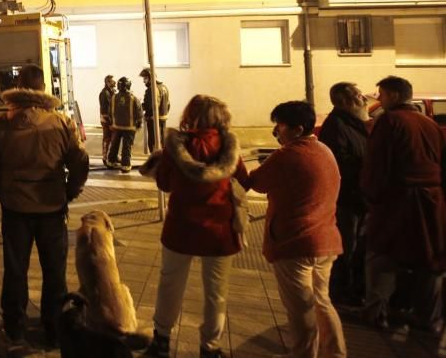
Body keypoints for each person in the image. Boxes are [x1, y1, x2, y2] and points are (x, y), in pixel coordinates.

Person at [0, 64, 89, 346]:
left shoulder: (1, 123)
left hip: (15, 210)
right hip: (52, 208)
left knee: (15, 270)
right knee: (54, 271)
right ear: (42, 87)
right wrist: (69, 192)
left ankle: (15, 327)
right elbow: (80, 162)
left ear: (19, 85)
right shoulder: (61, 123)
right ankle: (53, 329)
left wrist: (1, 192)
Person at [141, 95, 247, 358]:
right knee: (216, 293)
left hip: (181, 227)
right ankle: (210, 348)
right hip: (219, 230)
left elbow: (164, 184)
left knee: (170, 284)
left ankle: (162, 340)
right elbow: (244, 179)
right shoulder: (228, 147)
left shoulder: (176, 147)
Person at [240, 101, 346, 358]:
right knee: (322, 301)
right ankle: (336, 353)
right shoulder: (324, 151)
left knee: (300, 310)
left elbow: (254, 183)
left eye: (280, 126)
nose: (276, 132)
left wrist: (235, 159)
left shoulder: (288, 155)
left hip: (295, 242)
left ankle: (303, 355)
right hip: (326, 240)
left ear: (297, 129)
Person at [361, 75, 446, 333]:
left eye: (383, 95)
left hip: (398, 200)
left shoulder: (389, 121)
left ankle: (376, 312)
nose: (381, 99)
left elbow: (377, 164)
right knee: (430, 258)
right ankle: (429, 317)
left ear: (395, 96)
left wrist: (371, 196)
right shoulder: (429, 124)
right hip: (432, 200)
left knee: (382, 254)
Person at [316, 82, 369, 305]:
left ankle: (350, 288)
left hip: (357, 198)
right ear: (345, 102)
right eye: (358, 96)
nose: (364, 99)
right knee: (345, 246)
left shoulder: (354, 123)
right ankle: (341, 292)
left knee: (354, 245)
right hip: (348, 199)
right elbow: (339, 165)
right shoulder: (337, 127)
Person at [109, 77, 142, 172]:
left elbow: (109, 112)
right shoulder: (134, 98)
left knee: (114, 144)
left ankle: (111, 161)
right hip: (129, 127)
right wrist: (139, 124)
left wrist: (112, 122)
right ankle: (125, 165)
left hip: (116, 126)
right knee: (127, 146)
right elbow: (139, 113)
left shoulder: (114, 97)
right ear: (128, 85)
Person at [140, 68, 170, 155]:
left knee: (153, 142)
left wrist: (140, 105)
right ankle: (162, 161)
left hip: (154, 120)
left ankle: (154, 162)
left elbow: (149, 106)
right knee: (162, 141)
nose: (144, 81)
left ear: (150, 77)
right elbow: (168, 104)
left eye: (145, 78)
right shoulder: (164, 87)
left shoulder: (152, 89)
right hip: (163, 119)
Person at [99, 75, 116, 168]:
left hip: (109, 120)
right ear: (108, 82)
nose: (115, 83)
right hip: (106, 120)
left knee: (111, 139)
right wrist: (110, 122)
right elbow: (105, 110)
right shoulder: (104, 93)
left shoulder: (110, 92)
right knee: (107, 139)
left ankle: (110, 156)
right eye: (113, 81)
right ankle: (105, 158)